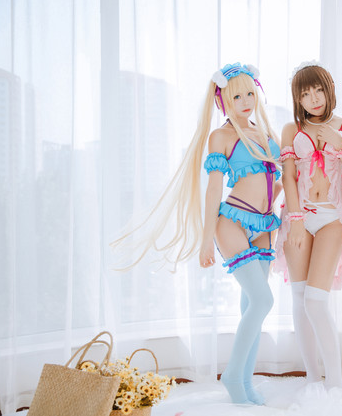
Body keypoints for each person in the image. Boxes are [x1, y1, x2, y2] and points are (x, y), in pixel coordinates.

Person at [112, 62, 281, 405]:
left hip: (264, 223)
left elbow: (274, 181)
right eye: (237, 97)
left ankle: (245, 382)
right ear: (223, 101)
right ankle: (232, 376)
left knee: (253, 305)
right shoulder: (221, 136)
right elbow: (213, 190)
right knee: (263, 300)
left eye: (250, 94)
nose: (246, 101)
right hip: (232, 222)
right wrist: (206, 239)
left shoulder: (265, 134)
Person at [274, 61, 342, 390]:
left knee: (315, 300)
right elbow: (288, 176)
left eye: (318, 90)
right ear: (297, 98)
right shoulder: (291, 129)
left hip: (332, 218)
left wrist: (340, 145)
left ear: (329, 90)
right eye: (305, 93)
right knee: (299, 298)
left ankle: (335, 385)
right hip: (298, 216)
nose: (313, 99)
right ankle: (313, 379)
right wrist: (296, 222)